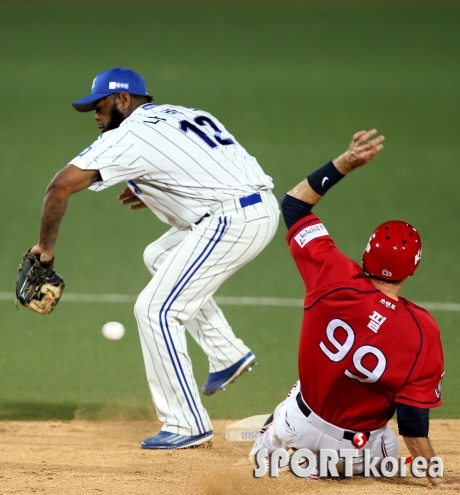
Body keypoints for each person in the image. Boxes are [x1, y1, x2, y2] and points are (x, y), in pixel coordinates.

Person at [29, 67, 280, 449]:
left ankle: (186, 424)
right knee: (158, 255)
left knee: (155, 309)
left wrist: (44, 249)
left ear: (123, 100)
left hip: (232, 221)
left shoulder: (130, 134)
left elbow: (59, 187)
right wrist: (160, 187)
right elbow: (212, 162)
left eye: (99, 107)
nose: (95, 117)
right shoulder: (184, 113)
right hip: (252, 208)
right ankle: (227, 354)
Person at [249, 129, 456, 487]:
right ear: (412, 270)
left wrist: (344, 162)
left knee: (297, 399)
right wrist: (433, 475)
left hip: (298, 425)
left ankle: (270, 450)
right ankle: (325, 469)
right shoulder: (423, 330)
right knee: (388, 447)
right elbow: (411, 418)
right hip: (359, 452)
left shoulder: (333, 274)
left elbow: (294, 205)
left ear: (366, 254)